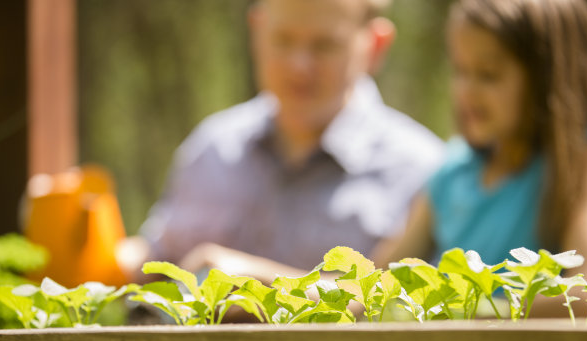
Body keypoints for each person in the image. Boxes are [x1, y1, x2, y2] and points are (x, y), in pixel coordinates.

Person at [120, 0, 444, 284]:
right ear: (257, 30)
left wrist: (264, 285)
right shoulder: (211, 149)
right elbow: (154, 263)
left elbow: (403, 305)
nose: (299, 66)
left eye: (324, 45)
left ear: (375, 45)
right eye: (283, 39)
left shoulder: (426, 173)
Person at [372, 0, 587, 317]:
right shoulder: (451, 174)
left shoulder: (578, 164)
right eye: (460, 71)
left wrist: (469, 312)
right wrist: (281, 286)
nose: (467, 91)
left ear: (549, 78)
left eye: (488, 75)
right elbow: (374, 286)